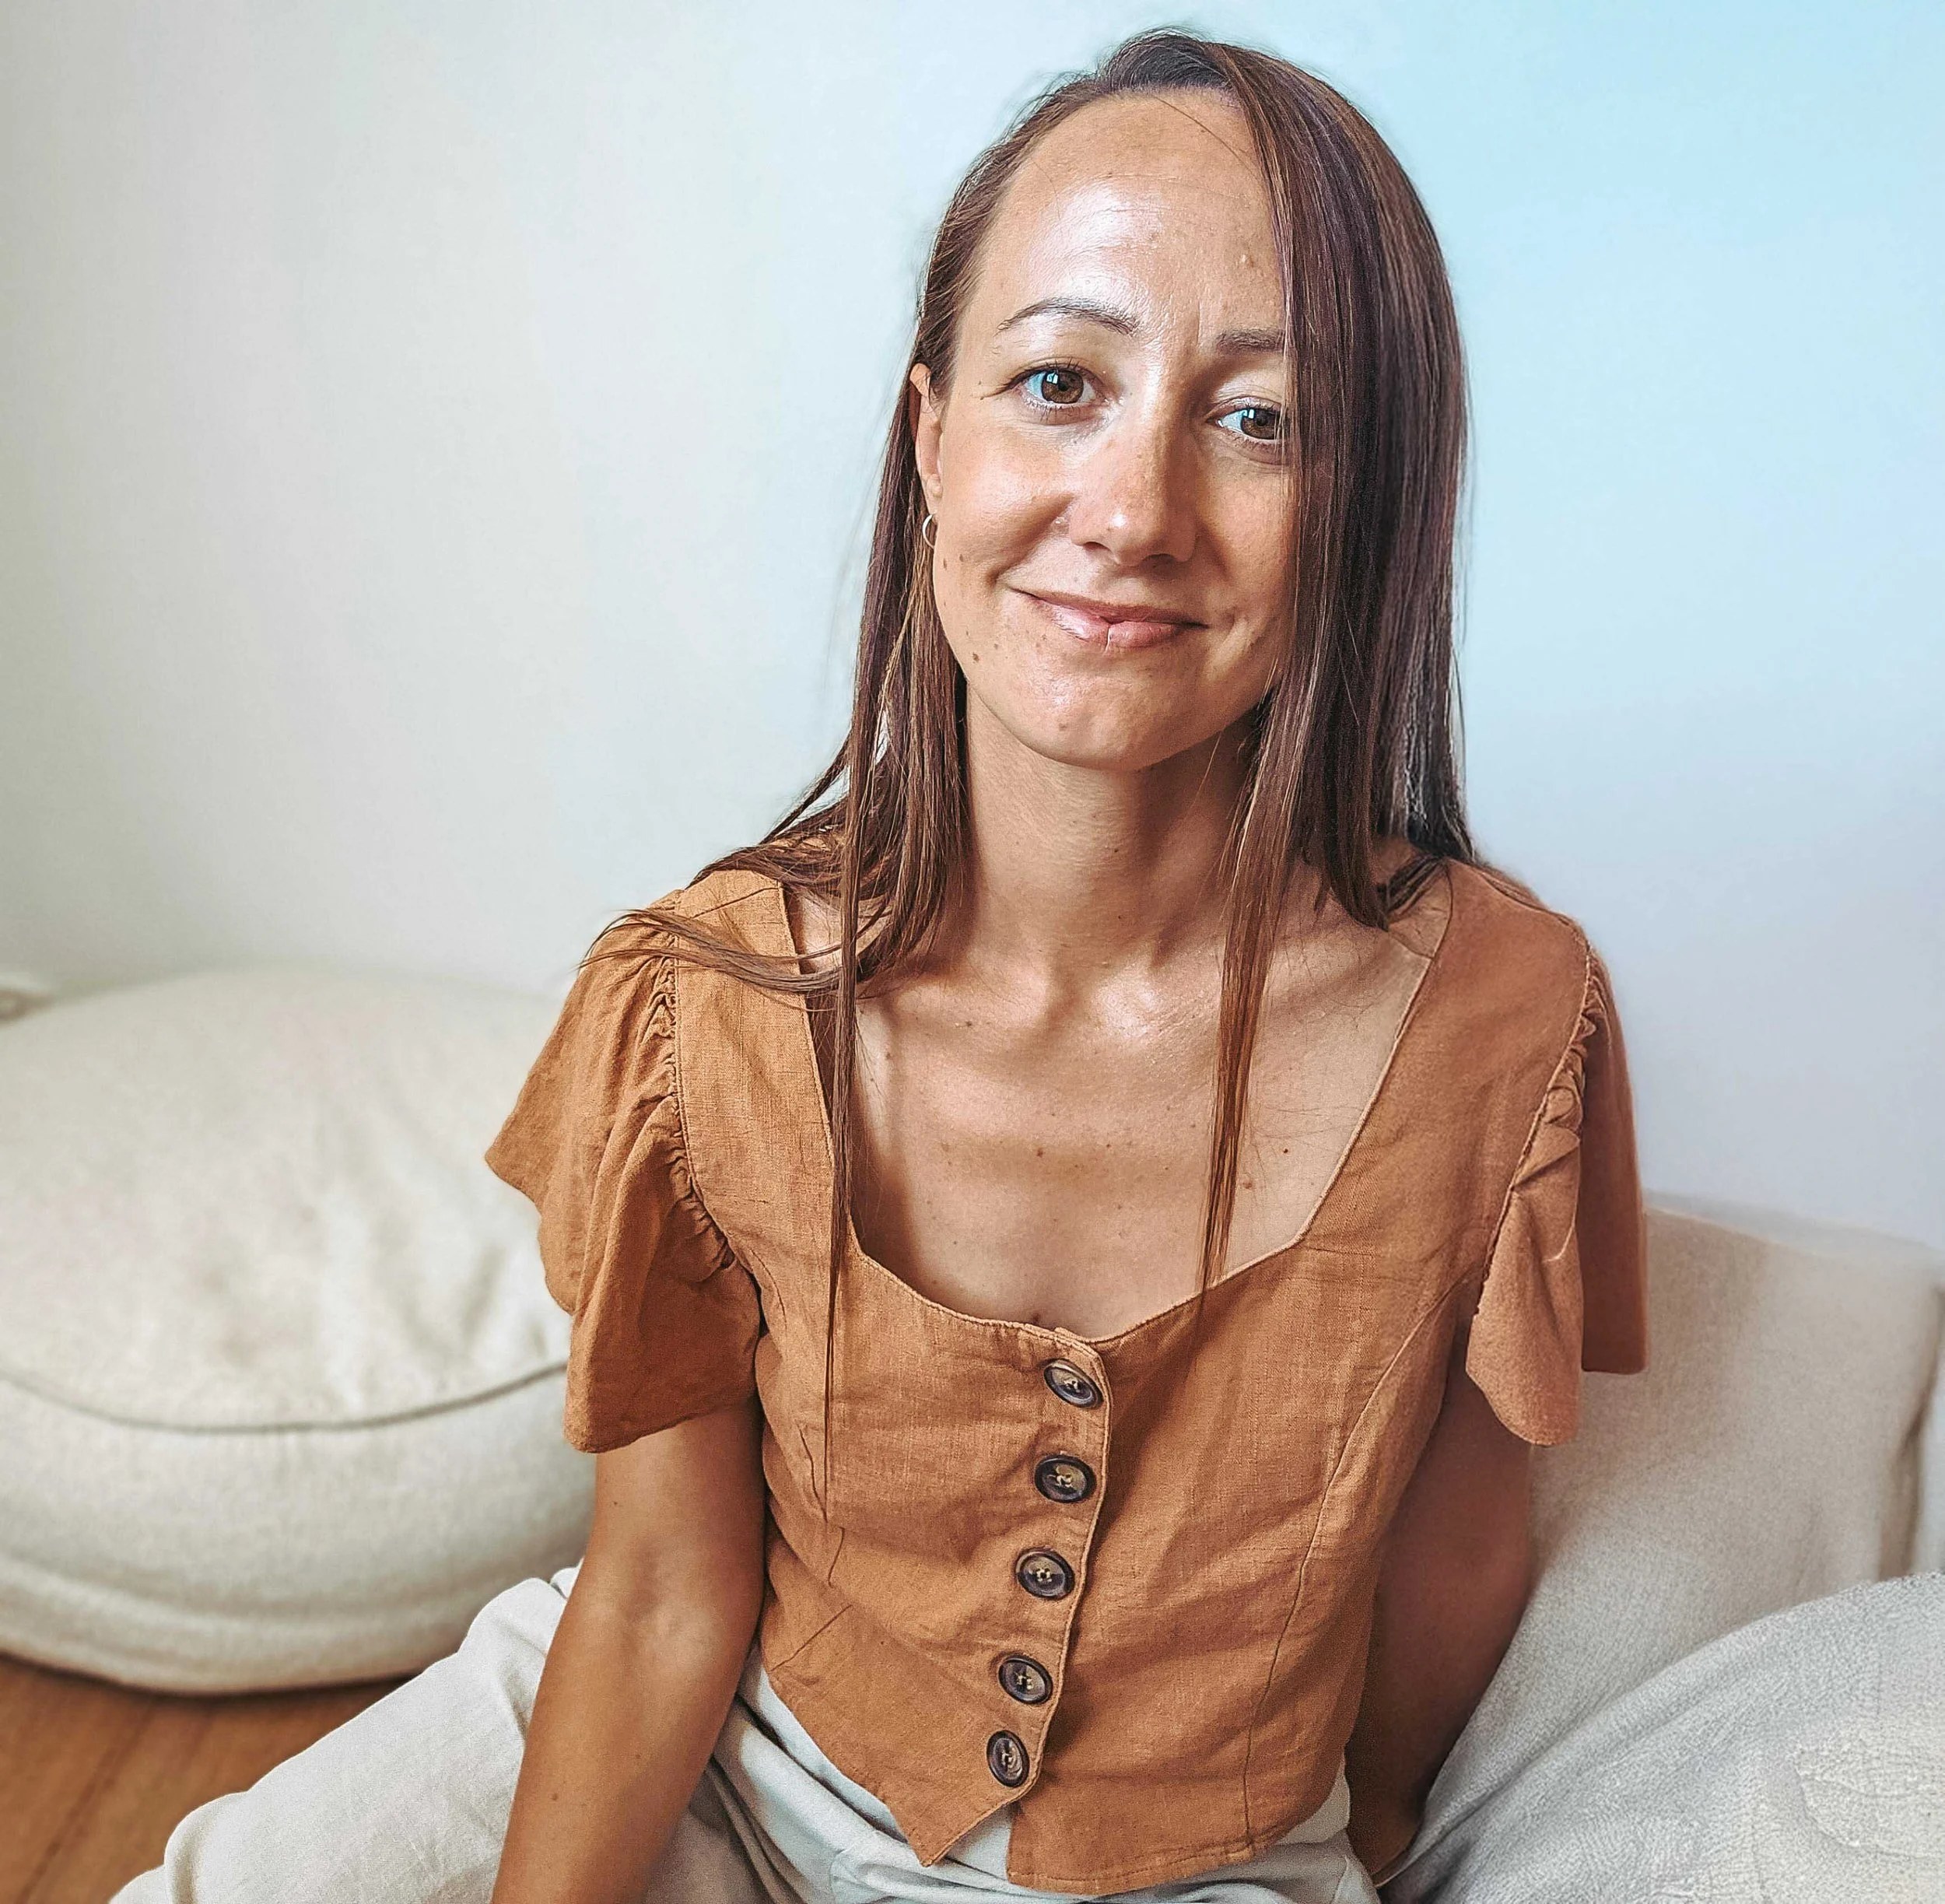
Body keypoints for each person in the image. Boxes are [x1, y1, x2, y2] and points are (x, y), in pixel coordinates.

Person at [119, 28, 1647, 1904]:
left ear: (1372, 501)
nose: (1132, 509)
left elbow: (1456, 1552)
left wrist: (1387, 1835)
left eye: (1260, 418)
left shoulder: (1509, 1021)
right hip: (705, 1756)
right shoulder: (697, 1006)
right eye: (1058, 383)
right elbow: (664, 1583)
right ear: (935, 439)